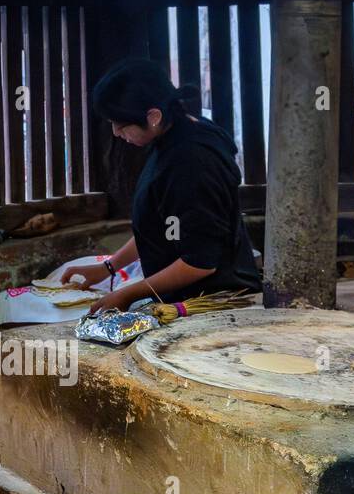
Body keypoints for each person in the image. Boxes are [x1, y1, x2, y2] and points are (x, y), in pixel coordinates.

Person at [62, 58, 261, 312]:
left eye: (121, 124)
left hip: (211, 303)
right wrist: (107, 268)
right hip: (180, 296)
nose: (115, 133)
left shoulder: (191, 162)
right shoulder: (173, 134)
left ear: (153, 116)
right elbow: (159, 227)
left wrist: (128, 294)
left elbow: (200, 262)